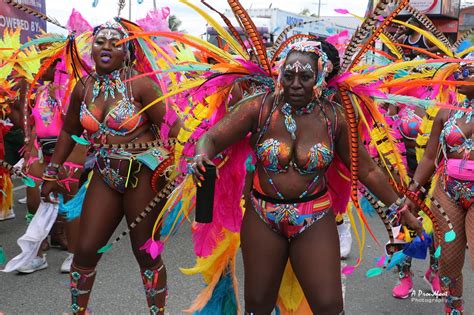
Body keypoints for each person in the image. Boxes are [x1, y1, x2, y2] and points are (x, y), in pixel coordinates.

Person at [190, 40, 422, 314]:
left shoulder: (334, 117)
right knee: (258, 306)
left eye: (305, 76)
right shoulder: (259, 108)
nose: (295, 84)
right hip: (263, 217)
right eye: (288, 76)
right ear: (279, 75)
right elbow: (212, 138)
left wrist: (400, 208)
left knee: (329, 306)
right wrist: (201, 156)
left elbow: (368, 169)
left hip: (314, 217)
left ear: (321, 77)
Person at [40, 19, 181, 315]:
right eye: (100, 41)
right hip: (105, 172)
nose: (106, 47)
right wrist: (52, 171)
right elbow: (68, 131)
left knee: (145, 253)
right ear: (91, 48)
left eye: (114, 42)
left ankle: (158, 312)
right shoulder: (84, 87)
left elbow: (172, 125)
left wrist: (177, 162)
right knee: (86, 249)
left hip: (142, 176)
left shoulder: (141, 85)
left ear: (127, 51)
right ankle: (79, 312)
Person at [404, 61, 474, 314]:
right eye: (461, 69)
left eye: (470, 70)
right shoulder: (446, 112)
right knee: (449, 262)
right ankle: (453, 310)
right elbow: (428, 158)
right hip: (448, 192)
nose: (461, 74)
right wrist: (413, 192)